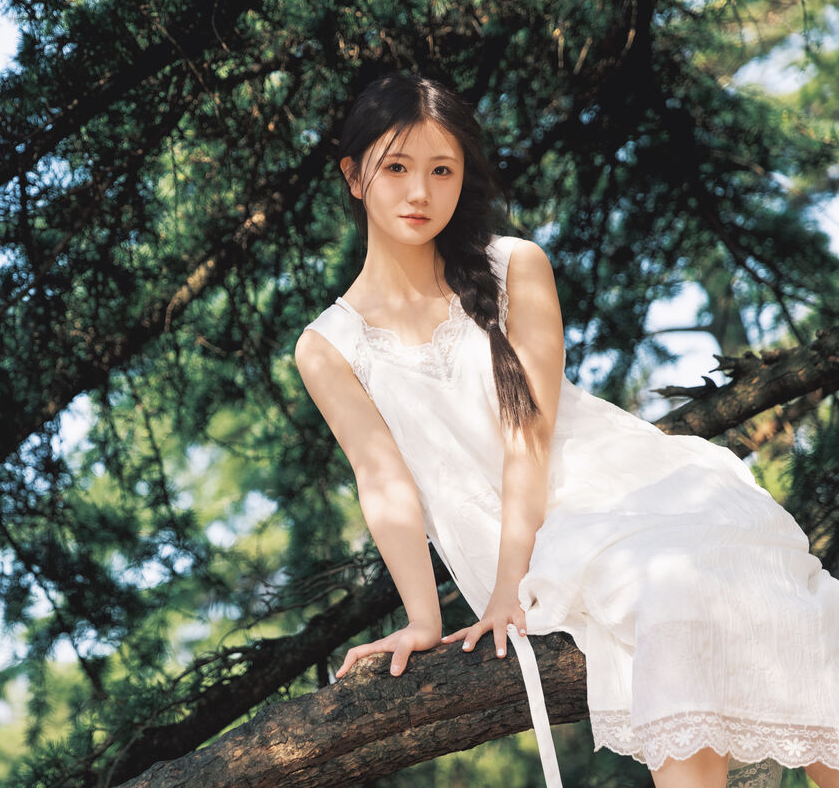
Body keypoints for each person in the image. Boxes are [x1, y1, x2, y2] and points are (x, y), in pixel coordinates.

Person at [294, 73, 839, 788]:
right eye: (395, 167)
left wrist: (509, 587)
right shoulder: (327, 344)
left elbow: (528, 434)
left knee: (739, 595)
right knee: (673, 594)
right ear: (352, 175)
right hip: (515, 541)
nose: (419, 191)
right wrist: (424, 619)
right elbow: (384, 483)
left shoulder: (515, 265)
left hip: (614, 489)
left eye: (441, 170)